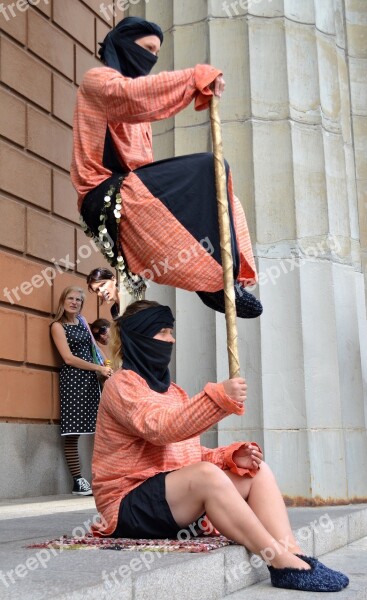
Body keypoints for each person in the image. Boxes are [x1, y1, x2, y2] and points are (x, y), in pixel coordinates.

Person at [91, 300, 349, 592]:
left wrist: (230, 457)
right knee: (206, 476)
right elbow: (160, 429)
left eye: (171, 332)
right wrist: (218, 397)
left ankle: (293, 552)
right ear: (140, 336)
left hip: (169, 501)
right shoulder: (122, 385)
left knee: (255, 471)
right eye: (163, 332)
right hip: (127, 505)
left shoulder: (174, 391)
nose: (171, 339)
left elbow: (186, 454)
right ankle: (280, 561)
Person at [71, 16, 263, 320]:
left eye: (156, 54)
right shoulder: (98, 80)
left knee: (220, 190)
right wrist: (194, 79)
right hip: (104, 195)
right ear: (123, 43)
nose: (151, 58)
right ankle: (214, 281)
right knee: (209, 167)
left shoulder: (136, 115)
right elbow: (131, 97)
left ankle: (224, 276)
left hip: (127, 193)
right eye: (146, 48)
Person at [50, 286, 113, 495]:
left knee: (101, 430)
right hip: (73, 381)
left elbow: (93, 348)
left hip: (90, 381)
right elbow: (68, 358)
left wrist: (105, 363)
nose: (74, 302)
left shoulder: (84, 322)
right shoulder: (58, 326)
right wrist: (98, 368)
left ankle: (103, 478)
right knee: (73, 432)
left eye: (78, 299)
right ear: (63, 300)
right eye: (70, 298)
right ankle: (78, 481)